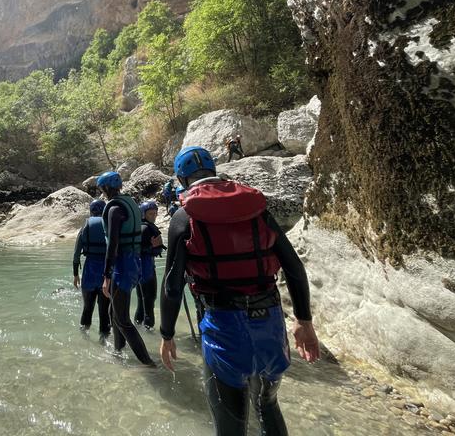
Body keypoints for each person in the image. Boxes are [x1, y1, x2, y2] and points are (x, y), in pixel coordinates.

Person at [159, 146, 320, 436]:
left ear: (182, 180)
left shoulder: (184, 217)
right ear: (214, 170)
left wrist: (167, 334)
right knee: (267, 405)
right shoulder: (255, 210)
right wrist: (304, 321)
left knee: (231, 424)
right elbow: (294, 268)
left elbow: (172, 285)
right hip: (270, 324)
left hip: (223, 329)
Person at [96, 170, 155, 366]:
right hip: (132, 263)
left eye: (102, 188)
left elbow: (113, 244)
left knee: (122, 319)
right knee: (114, 312)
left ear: (106, 188)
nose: (102, 192)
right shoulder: (128, 203)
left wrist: (106, 275)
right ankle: (118, 351)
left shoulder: (114, 209)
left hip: (123, 265)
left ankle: (148, 363)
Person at [72, 199, 111, 339]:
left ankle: (83, 338)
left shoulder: (85, 226)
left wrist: (75, 274)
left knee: (87, 308)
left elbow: (76, 254)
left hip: (89, 272)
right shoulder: (109, 225)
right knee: (104, 312)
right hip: (106, 272)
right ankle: (104, 341)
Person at [133, 200, 165, 329]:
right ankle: (149, 331)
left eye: (155, 213)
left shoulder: (139, 227)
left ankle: (138, 327)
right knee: (149, 300)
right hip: (147, 269)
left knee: (141, 301)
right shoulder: (148, 228)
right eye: (151, 214)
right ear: (143, 214)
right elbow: (147, 249)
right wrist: (152, 247)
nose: (154, 216)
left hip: (139, 269)